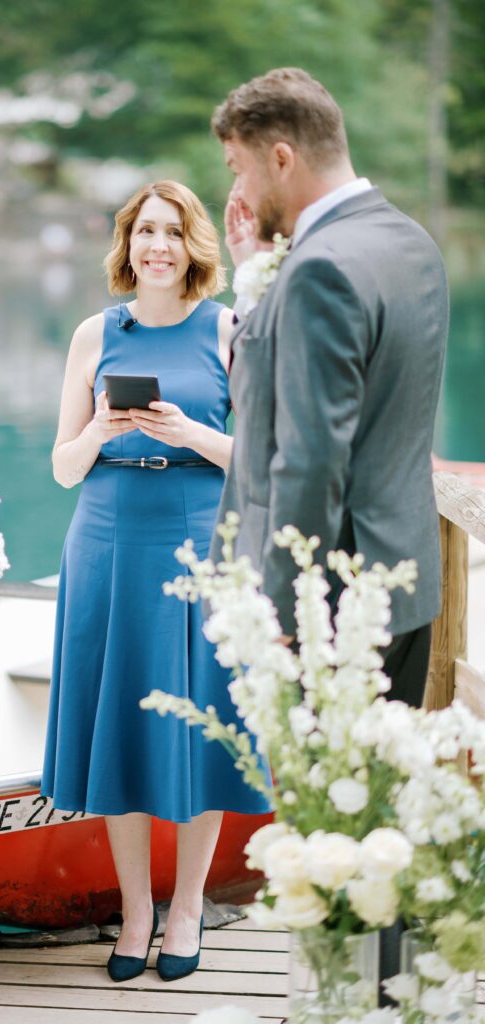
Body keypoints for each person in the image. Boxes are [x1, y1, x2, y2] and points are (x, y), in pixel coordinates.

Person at [210, 67, 448, 1000]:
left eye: (239, 167)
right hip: (404, 582)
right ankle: (381, 996)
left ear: (281, 155)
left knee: (328, 823)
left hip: (332, 604)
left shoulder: (318, 269)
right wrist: (254, 289)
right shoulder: (408, 241)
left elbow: (308, 460)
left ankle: (344, 1003)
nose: (236, 190)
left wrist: (276, 606)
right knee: (378, 815)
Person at [41, 180, 270, 984]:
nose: (158, 247)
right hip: (106, 533)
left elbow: (264, 459)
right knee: (123, 723)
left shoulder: (230, 329)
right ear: (127, 243)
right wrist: (103, 427)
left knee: (202, 726)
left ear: (194, 245)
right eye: (145, 232)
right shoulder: (93, 334)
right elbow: (65, 468)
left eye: (173, 232)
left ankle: (186, 907)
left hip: (199, 536)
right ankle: (136, 911)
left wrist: (191, 432)